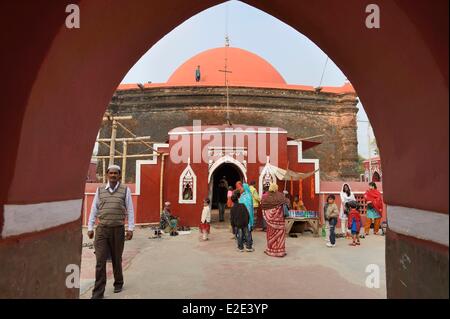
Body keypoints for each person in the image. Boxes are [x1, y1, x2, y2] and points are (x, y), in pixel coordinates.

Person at [87, 164, 134, 299]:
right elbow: (94, 209)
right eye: (111, 173)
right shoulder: (100, 190)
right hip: (102, 230)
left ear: (119, 175)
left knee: (116, 259)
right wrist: (90, 227)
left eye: (116, 173)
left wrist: (130, 228)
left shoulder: (125, 190)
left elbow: (130, 210)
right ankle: (97, 293)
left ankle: (118, 282)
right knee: (100, 261)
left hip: (118, 230)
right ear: (107, 174)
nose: (113, 175)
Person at [260, 183, 290, 257]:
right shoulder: (281, 196)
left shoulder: (265, 196)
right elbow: (288, 202)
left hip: (270, 222)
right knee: (280, 237)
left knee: (270, 235)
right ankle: (280, 252)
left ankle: (271, 251)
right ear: (276, 188)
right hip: (280, 222)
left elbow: (262, 205)